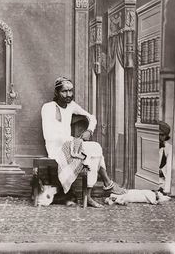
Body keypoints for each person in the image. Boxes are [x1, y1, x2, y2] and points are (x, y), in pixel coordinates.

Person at [41, 76, 126, 208]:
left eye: (71, 91)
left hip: (70, 145)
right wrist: (74, 140)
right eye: (64, 91)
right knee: (95, 149)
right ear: (57, 92)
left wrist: (89, 131)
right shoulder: (48, 107)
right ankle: (105, 185)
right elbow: (50, 136)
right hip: (56, 149)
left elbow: (92, 118)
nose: (68, 94)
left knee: (95, 152)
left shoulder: (71, 106)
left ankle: (97, 190)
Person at [159, 120, 172, 194]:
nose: (161, 138)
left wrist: (167, 190)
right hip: (148, 180)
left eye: (163, 135)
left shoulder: (169, 148)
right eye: (159, 135)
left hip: (161, 181)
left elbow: (169, 169)